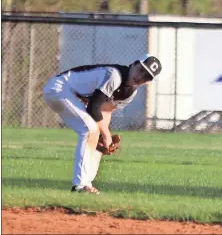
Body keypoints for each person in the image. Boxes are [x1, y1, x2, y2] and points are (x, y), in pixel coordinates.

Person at [43, 54, 162, 194]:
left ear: (148, 82)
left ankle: (87, 184)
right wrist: (106, 133)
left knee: (97, 136)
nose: (141, 76)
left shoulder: (130, 93)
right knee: (89, 129)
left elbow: (105, 111)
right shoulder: (114, 75)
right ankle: (80, 185)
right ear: (134, 64)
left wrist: (105, 136)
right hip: (59, 89)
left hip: (70, 96)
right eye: (141, 69)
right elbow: (93, 107)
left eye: (147, 76)